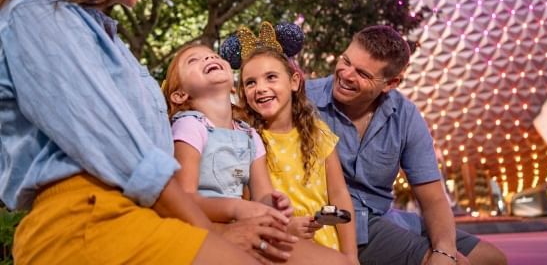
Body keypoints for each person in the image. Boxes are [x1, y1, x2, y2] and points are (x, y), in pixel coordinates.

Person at [0, 0, 291, 264]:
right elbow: (122, 148)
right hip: (84, 215)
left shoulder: (111, 43)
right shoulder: (35, 12)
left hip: (145, 212)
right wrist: (212, 234)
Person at [305, 25, 507, 265]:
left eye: (363, 74)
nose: (347, 74)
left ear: (391, 83)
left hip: (383, 216)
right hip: (338, 220)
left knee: (491, 258)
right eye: (346, 61)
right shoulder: (304, 101)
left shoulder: (406, 116)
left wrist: (444, 250)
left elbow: (433, 199)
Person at [162, 41, 352, 265]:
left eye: (213, 55)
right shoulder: (190, 126)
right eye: (193, 60)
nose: (208, 58)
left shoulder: (249, 135)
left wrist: (274, 203)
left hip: (244, 223)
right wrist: (238, 208)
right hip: (206, 225)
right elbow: (183, 198)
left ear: (232, 87)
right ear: (179, 95)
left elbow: (262, 195)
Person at [228, 22, 359, 265]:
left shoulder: (318, 132)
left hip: (328, 248)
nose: (261, 88)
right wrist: (285, 229)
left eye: (271, 77)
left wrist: (351, 256)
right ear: (242, 92)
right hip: (278, 249)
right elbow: (247, 207)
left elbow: (339, 194)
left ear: (294, 81)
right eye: (250, 82)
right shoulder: (247, 140)